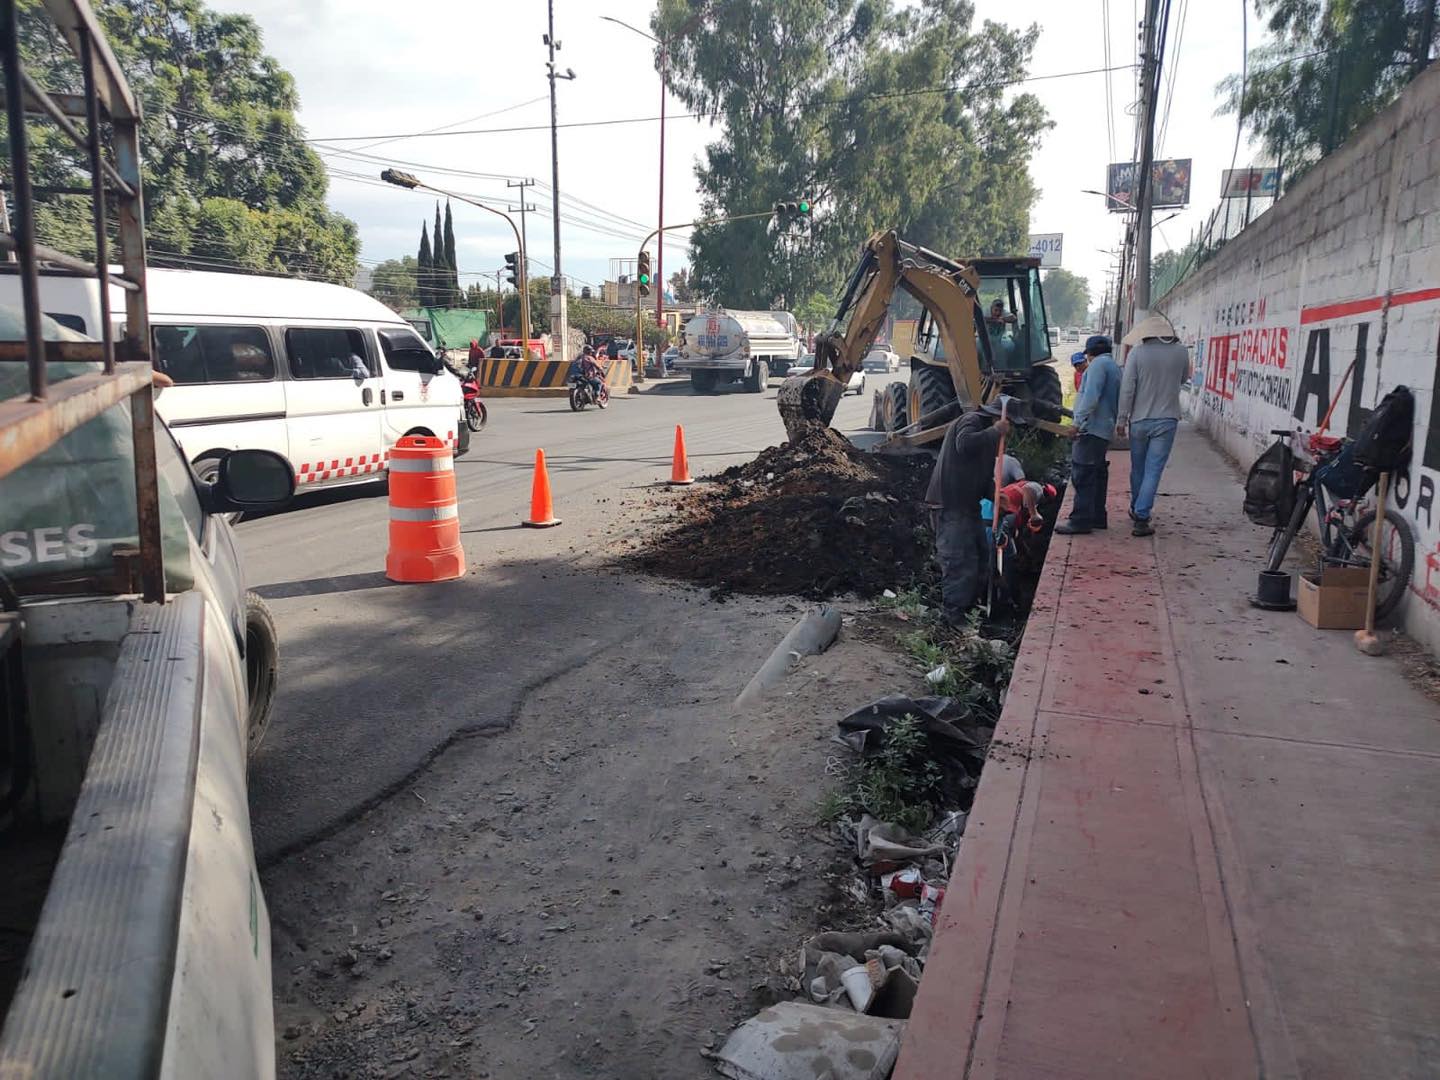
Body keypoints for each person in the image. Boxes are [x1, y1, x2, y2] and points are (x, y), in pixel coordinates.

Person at [925, 397, 1022, 625]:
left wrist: (994, 495)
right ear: (999, 418)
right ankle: (953, 616)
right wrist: (995, 431)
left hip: (968, 507)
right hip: (950, 506)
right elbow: (964, 444)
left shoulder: (988, 440)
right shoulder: (972, 421)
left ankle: (970, 609)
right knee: (960, 562)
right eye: (1010, 425)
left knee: (980, 558)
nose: (1010, 431)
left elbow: (980, 474)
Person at [1117, 313, 1190, 537]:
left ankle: (1136, 507)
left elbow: (1127, 388)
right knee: (1153, 470)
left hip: (1139, 420)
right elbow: (1183, 379)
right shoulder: (1181, 351)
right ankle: (1141, 515)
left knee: (1138, 467)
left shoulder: (1137, 353)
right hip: (1167, 419)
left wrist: (1121, 419)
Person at [1055, 335, 1121, 535]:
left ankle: (1081, 520)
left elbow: (1090, 397)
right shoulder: (1113, 366)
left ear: (1090, 353)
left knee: (1083, 474)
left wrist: (1076, 424)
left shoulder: (1097, 367)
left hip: (1091, 429)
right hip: (1104, 428)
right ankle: (1097, 517)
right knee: (1098, 473)